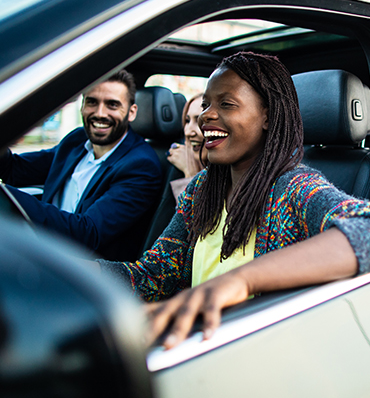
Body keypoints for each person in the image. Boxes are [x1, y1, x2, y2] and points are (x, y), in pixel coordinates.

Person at [96, 52, 370, 349]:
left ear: (268, 115)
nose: (205, 116)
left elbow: (365, 230)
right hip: (198, 348)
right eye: (206, 104)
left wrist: (242, 281)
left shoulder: (294, 188)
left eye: (226, 104)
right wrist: (79, 273)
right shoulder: (202, 189)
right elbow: (153, 275)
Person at [0, 69, 162, 262]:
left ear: (131, 112)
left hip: (81, 271)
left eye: (112, 104)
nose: (100, 113)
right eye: (92, 102)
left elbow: (87, 233)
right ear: (82, 106)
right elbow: (15, 169)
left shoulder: (141, 165)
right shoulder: (76, 140)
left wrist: (7, 198)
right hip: (41, 249)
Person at [167, 93, 207, 204]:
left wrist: (190, 175)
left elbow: (195, 220)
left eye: (200, 121)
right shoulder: (175, 164)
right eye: (187, 121)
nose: (188, 132)